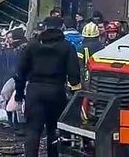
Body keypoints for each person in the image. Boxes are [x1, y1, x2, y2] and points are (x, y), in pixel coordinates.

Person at [15, 16, 81, 157]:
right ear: (62, 27)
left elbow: (20, 72)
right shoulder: (67, 46)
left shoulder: (32, 45)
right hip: (56, 92)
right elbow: (74, 75)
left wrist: (19, 94)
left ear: (44, 27)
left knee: (33, 129)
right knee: (54, 130)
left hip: (34, 91)